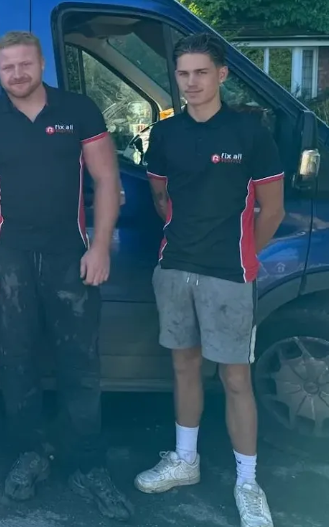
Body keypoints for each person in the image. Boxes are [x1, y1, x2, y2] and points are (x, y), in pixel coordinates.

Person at [0, 31, 133, 522]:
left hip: (70, 256)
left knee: (80, 364)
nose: (17, 74)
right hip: (9, 257)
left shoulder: (78, 111)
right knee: (16, 362)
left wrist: (99, 247)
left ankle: (87, 464)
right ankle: (29, 453)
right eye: (7, 67)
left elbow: (107, 179)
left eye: (24, 64)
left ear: (40, 65)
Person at [135, 33, 285, 527]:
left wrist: (241, 254)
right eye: (183, 74)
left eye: (201, 72)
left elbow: (272, 209)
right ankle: (186, 460)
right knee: (184, 367)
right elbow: (161, 197)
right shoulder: (165, 135)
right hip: (176, 267)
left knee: (235, 378)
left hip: (230, 273)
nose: (192, 82)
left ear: (221, 74)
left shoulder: (250, 134)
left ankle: (248, 483)